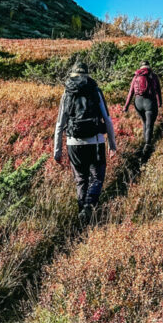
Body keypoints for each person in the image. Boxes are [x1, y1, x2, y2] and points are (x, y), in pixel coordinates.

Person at [54, 59, 116, 222]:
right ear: (87, 75)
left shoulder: (67, 92)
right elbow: (107, 120)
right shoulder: (95, 90)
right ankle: (89, 206)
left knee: (81, 180)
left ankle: (82, 217)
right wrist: (112, 145)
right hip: (95, 142)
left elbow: (60, 124)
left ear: (73, 75)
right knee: (97, 177)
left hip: (73, 144)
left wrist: (57, 151)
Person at [124, 60, 162, 154]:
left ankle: (144, 143)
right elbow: (158, 91)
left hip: (138, 103)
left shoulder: (136, 76)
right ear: (149, 66)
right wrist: (159, 102)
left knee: (144, 122)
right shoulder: (153, 76)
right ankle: (147, 145)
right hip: (149, 102)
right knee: (150, 124)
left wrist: (126, 106)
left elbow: (131, 92)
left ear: (140, 67)